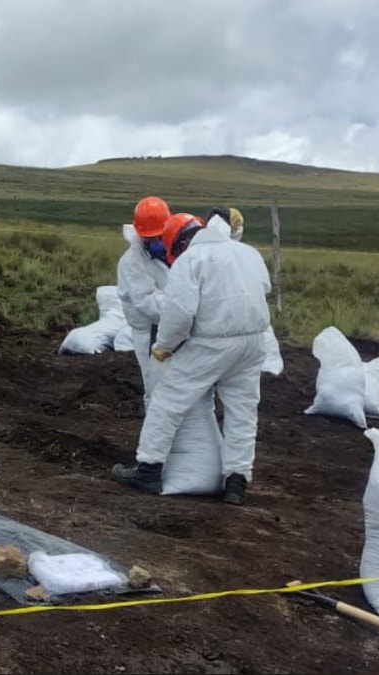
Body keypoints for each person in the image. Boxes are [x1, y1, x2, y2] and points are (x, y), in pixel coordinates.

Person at [112, 211, 272, 504]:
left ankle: (148, 469)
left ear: (179, 243)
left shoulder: (190, 260)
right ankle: (236, 481)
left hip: (211, 343)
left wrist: (165, 346)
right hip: (253, 343)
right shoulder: (249, 252)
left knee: (166, 400)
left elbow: (180, 312)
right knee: (243, 411)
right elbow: (264, 288)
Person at [116, 196, 172, 401]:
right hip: (149, 332)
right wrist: (182, 305)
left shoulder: (166, 252)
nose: (157, 241)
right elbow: (148, 304)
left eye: (161, 235)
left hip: (171, 328)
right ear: (141, 233)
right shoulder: (132, 263)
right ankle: (154, 430)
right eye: (152, 237)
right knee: (155, 388)